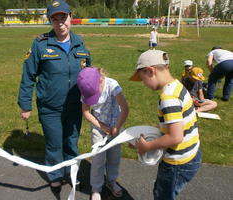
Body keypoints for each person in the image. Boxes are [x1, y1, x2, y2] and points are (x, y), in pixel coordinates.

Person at [17, 0, 91, 192]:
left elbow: (89, 76)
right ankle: (55, 176)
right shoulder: (41, 44)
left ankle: (71, 172)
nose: (60, 22)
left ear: (70, 18)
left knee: (71, 142)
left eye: (63, 17)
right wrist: (25, 104)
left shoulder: (80, 44)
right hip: (50, 107)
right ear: (50, 20)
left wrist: (92, 99)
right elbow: (28, 75)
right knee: (54, 144)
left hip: (75, 106)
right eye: (55, 18)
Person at [129, 50, 201, 200]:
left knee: (162, 195)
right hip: (192, 154)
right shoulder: (177, 86)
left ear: (150, 71)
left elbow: (175, 137)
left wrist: (146, 147)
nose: (144, 84)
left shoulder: (168, 98)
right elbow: (175, 124)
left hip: (177, 163)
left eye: (143, 79)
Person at [77, 67, 129, 200]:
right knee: (98, 159)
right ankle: (96, 188)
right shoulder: (86, 89)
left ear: (101, 80)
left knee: (114, 157)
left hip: (115, 126)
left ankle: (111, 182)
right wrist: (103, 127)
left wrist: (116, 128)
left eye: (95, 94)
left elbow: (125, 109)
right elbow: (86, 112)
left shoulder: (112, 86)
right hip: (98, 127)